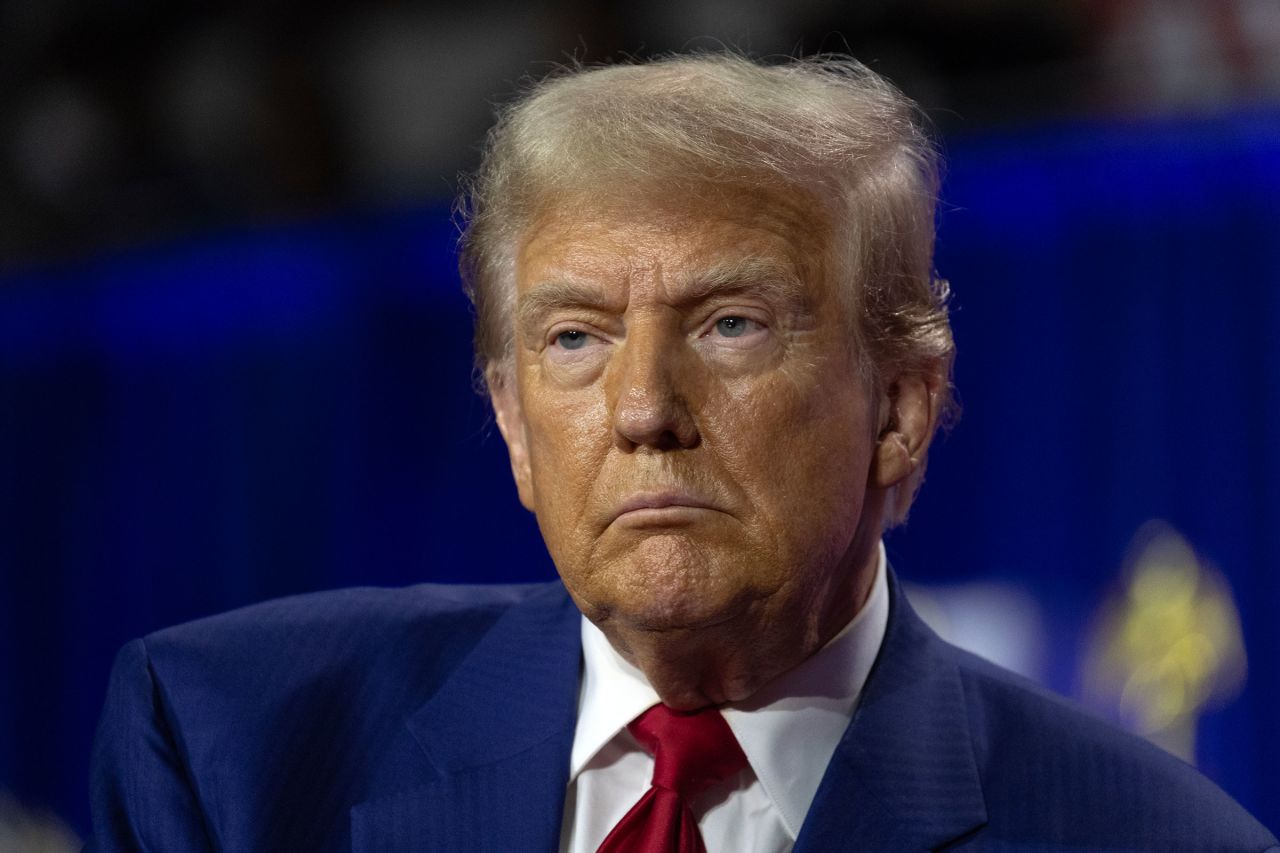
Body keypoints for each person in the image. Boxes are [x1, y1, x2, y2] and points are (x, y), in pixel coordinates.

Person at [87, 54, 1276, 852]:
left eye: (730, 325)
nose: (643, 406)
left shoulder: (1139, 837)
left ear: (900, 409)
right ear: (508, 421)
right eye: (574, 338)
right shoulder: (234, 750)